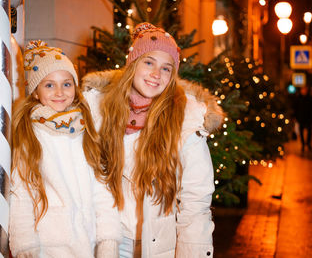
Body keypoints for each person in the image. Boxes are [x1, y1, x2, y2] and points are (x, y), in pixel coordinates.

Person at [82, 23, 224, 257]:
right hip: (104, 241)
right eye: (149, 62)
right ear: (133, 63)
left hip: (158, 247)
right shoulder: (97, 110)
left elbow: (196, 202)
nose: (156, 74)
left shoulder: (186, 121)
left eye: (166, 68)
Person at [9, 40, 121, 258]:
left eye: (67, 84)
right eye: (49, 85)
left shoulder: (86, 128)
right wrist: (25, 245)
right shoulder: (30, 134)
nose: (59, 92)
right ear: (35, 92)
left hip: (88, 243)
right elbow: (21, 192)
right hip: (48, 245)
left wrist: (108, 239)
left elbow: (102, 188)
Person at [293, 85, 312, 152]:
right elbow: (295, 108)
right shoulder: (298, 98)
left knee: (309, 131)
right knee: (301, 132)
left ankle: (308, 143)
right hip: (300, 118)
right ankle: (303, 144)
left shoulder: (310, 98)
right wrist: (295, 117)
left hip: (308, 118)